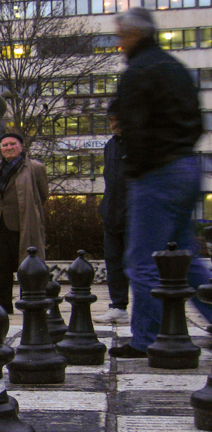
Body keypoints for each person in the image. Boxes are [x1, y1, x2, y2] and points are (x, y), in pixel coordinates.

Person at [109, 7, 212, 358]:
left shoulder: (139, 72)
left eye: (120, 36)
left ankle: (146, 338)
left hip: (157, 174)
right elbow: (198, 123)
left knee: (142, 260)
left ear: (134, 35)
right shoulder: (176, 67)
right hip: (187, 167)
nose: (119, 43)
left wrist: (136, 167)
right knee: (185, 257)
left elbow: (134, 128)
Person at [0, 133, 49, 313]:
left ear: (21, 147)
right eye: (4, 145)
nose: (9, 147)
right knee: (0, 268)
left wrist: (29, 211)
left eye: (13, 144)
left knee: (27, 265)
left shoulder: (35, 168)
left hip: (23, 224)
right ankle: (4, 305)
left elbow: (42, 196)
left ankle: (30, 303)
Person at [93, 99, 129, 325]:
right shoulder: (111, 145)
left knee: (139, 265)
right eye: (111, 120)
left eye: (118, 120)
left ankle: (152, 311)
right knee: (114, 262)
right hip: (112, 213)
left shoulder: (140, 143)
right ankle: (118, 306)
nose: (114, 124)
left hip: (134, 214)